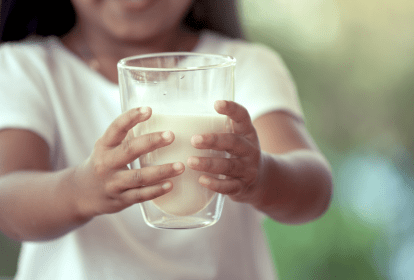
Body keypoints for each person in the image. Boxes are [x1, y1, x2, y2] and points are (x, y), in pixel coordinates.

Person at [0, 0, 333, 279]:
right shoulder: (24, 69)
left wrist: (262, 174)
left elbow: (315, 187)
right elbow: (8, 196)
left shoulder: (242, 66)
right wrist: (79, 190)